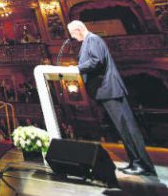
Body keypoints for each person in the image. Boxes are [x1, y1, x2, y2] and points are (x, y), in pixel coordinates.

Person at [67, 20, 157, 176]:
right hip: (106, 90)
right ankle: (135, 162)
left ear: (79, 29)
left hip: (110, 89)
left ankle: (143, 164)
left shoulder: (92, 39)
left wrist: (77, 68)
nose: (73, 38)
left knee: (128, 128)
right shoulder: (88, 41)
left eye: (73, 34)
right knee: (123, 129)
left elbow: (97, 61)